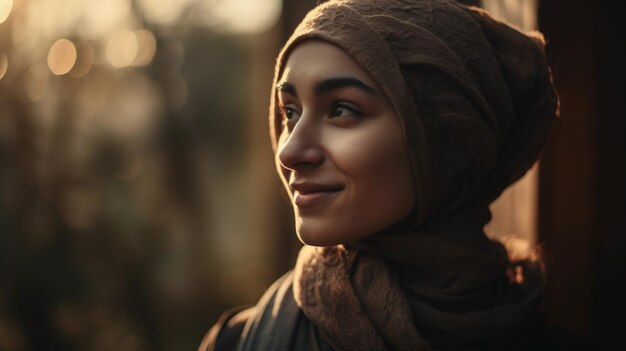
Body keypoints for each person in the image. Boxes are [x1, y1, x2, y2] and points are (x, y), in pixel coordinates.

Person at [199, 0, 590, 350]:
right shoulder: (239, 342)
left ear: (445, 140)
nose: (289, 151)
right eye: (290, 112)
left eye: (340, 110)